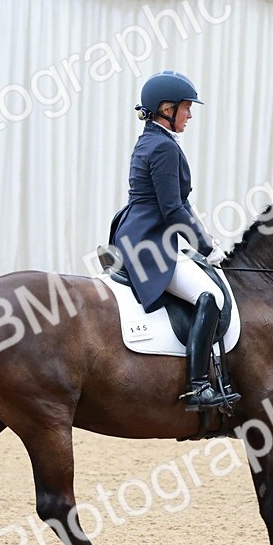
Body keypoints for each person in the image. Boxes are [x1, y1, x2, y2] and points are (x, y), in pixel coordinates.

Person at [108, 70, 240, 412]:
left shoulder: (151, 140)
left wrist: (206, 239)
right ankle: (198, 386)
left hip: (140, 231)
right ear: (167, 109)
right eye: (186, 108)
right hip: (149, 240)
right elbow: (172, 210)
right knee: (210, 296)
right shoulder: (164, 147)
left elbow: (180, 204)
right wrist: (206, 249)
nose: (190, 115)